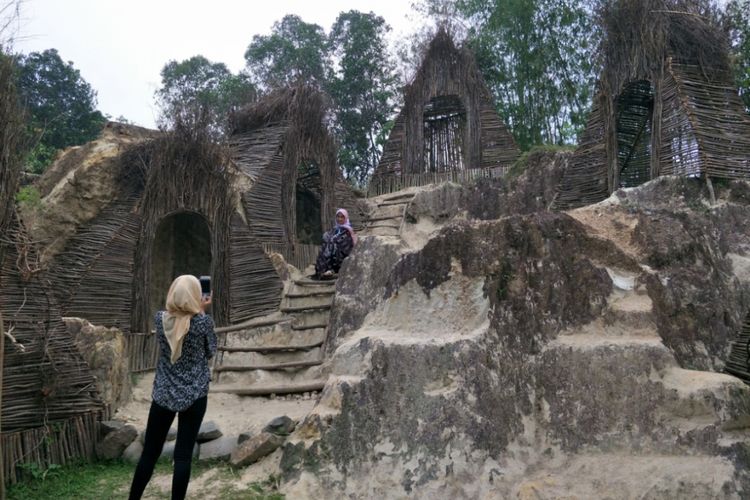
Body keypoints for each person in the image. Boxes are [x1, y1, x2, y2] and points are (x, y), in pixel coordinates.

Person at [129, 274, 216, 500]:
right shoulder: (203, 322)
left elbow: (175, 321)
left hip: (164, 392)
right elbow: (210, 351)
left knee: (150, 453)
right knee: (183, 456)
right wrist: (203, 311)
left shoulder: (160, 319)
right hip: (195, 393)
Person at [312, 208, 357, 280]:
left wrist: (335, 242)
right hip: (332, 251)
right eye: (338, 217)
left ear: (345, 218)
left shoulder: (348, 230)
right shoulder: (335, 229)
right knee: (324, 247)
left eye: (342, 217)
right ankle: (324, 270)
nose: (339, 219)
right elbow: (329, 237)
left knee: (335, 246)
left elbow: (348, 243)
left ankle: (333, 269)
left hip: (343, 253)